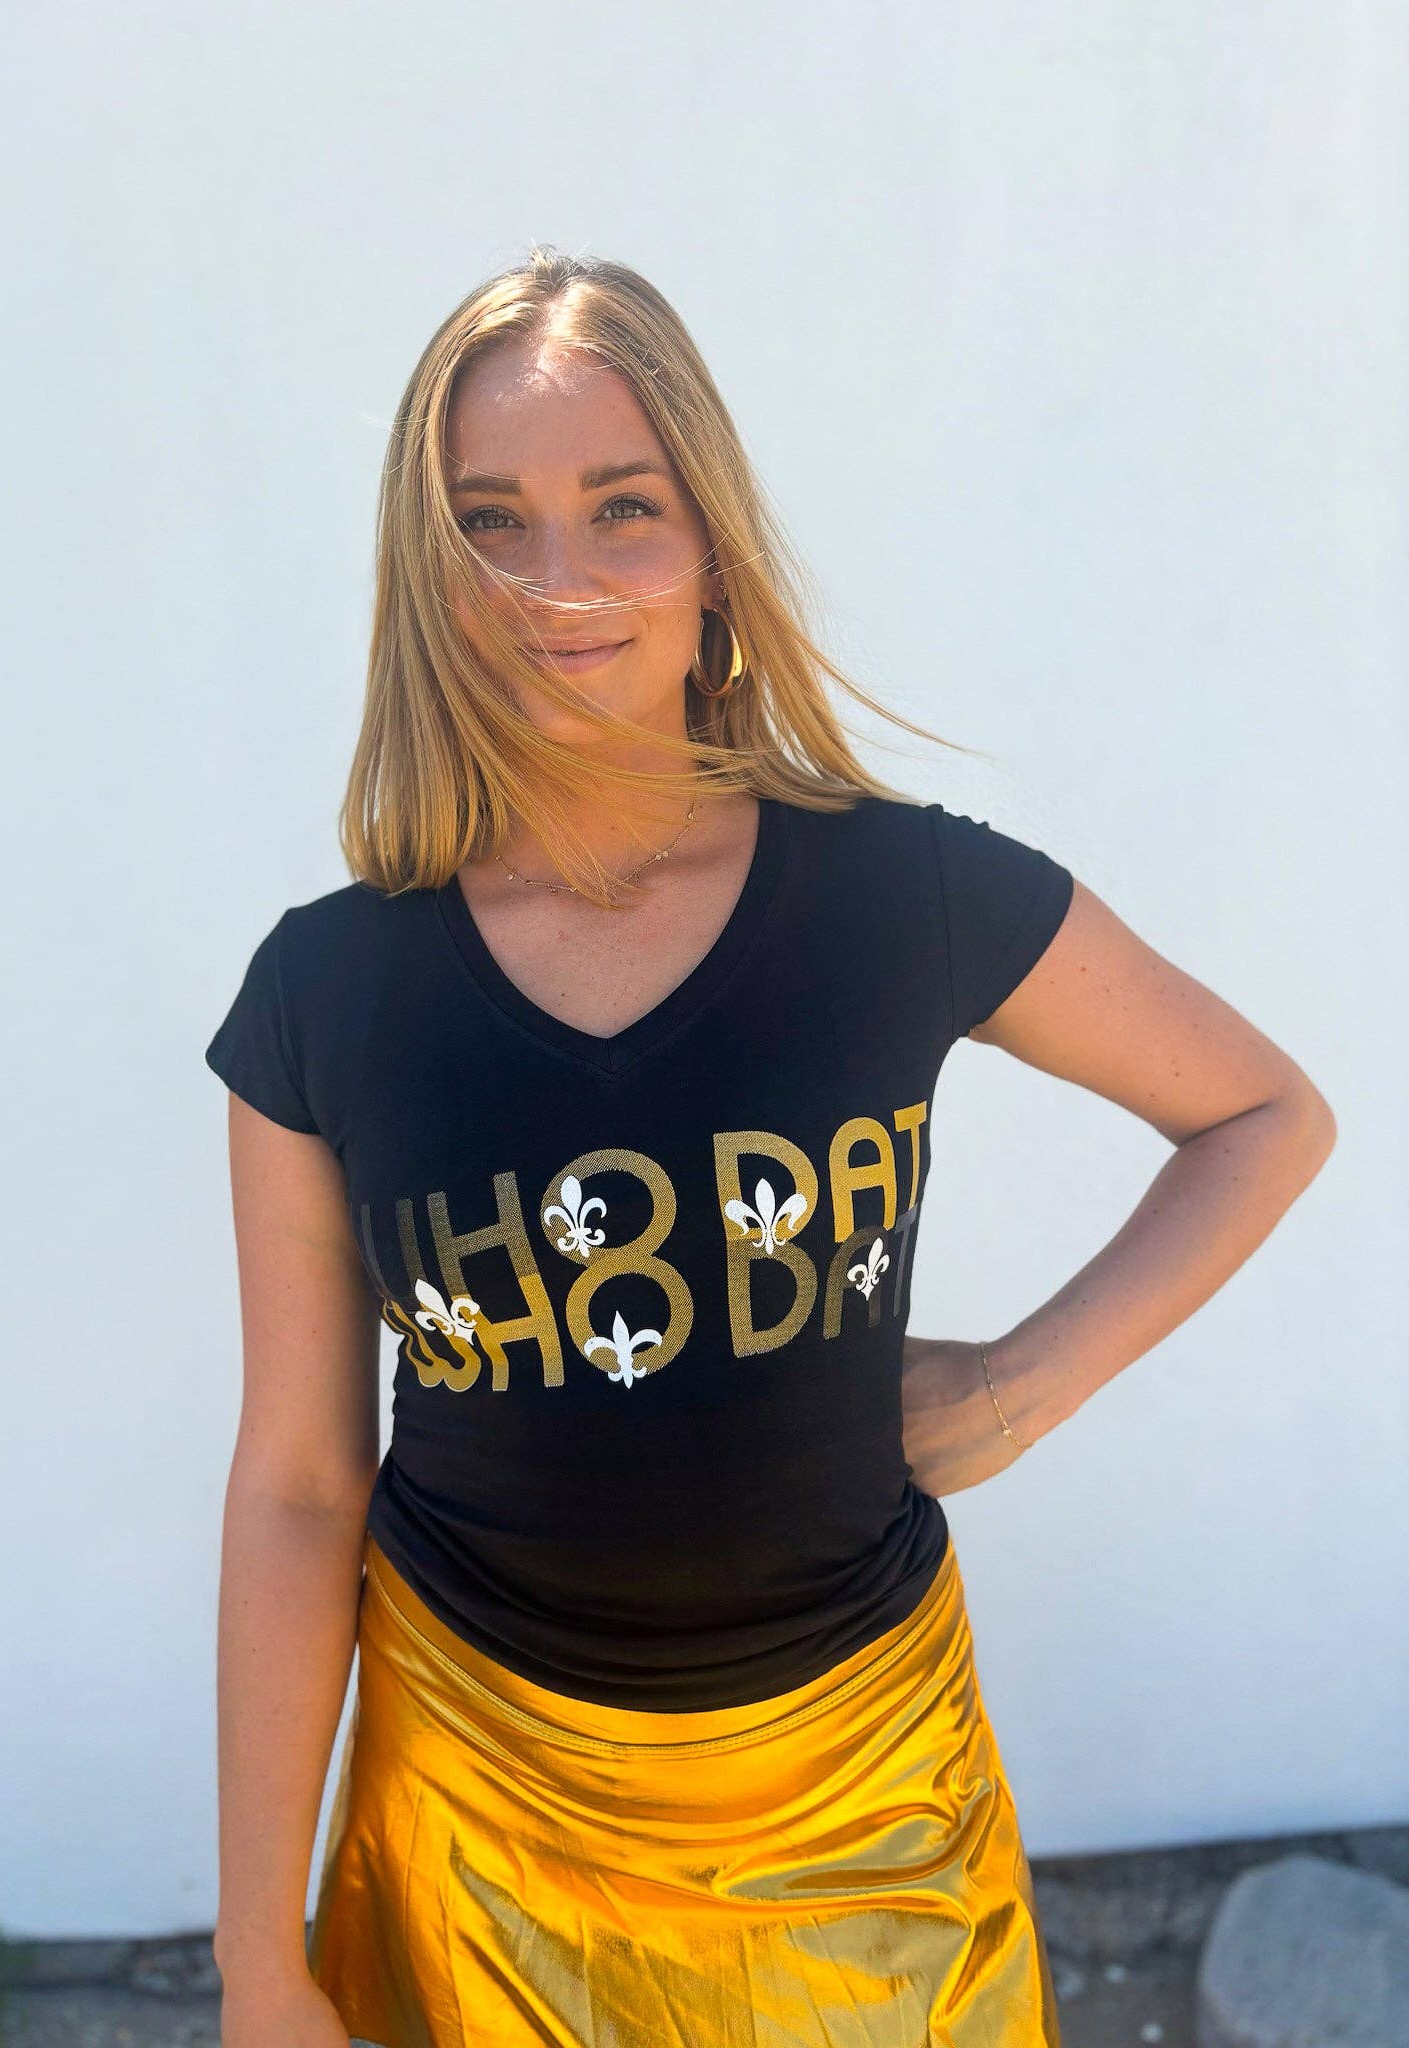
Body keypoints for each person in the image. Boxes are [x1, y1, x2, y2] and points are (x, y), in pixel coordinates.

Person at [203, 248, 1336, 2048]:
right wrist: (258, 1960)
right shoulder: (324, 991)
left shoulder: (903, 894)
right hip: (478, 1816)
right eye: (490, 522)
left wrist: (1027, 1383)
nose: (559, 581)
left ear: (713, 551)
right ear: (427, 574)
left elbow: (1265, 1115)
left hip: (870, 1817)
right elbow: (295, 1486)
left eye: (623, 508)